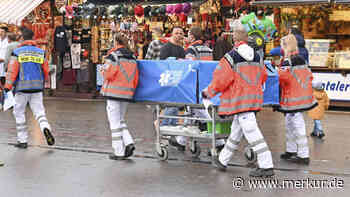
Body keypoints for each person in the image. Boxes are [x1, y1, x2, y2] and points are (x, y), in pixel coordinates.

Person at [202, 20, 274, 177]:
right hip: (253, 100)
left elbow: (220, 80)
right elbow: (263, 76)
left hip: (239, 102)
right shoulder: (257, 56)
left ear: (235, 38)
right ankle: (222, 160)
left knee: (252, 132)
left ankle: (266, 165)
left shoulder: (230, 57)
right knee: (236, 131)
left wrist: (208, 93)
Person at [4, 27, 55, 149]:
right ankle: (45, 127)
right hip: (37, 87)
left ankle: (23, 140)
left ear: (22, 38)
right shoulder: (40, 52)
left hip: (22, 88)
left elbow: (12, 71)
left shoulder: (17, 52)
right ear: (33, 38)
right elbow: (46, 69)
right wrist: (45, 82)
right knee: (39, 112)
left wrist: (7, 87)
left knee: (19, 112)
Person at [277, 34, 317, 165]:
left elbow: (284, 78)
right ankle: (291, 150)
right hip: (298, 97)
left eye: (282, 45)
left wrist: (277, 72)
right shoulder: (301, 59)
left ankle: (303, 155)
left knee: (297, 125)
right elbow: (308, 77)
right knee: (290, 124)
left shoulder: (289, 61)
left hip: (293, 99)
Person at [101, 33, 139, 160]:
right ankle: (128, 142)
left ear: (116, 43)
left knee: (114, 123)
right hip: (127, 93)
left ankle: (118, 151)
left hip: (113, 93)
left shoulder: (113, 56)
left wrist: (103, 70)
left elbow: (108, 74)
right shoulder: (133, 57)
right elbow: (136, 77)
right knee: (120, 120)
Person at [158, 27, 186, 150]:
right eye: (176, 33)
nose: (179, 35)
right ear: (172, 34)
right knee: (171, 106)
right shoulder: (166, 47)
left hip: (179, 82)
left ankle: (172, 134)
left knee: (175, 108)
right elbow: (162, 63)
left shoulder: (181, 49)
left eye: (181, 33)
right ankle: (164, 132)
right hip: (169, 81)